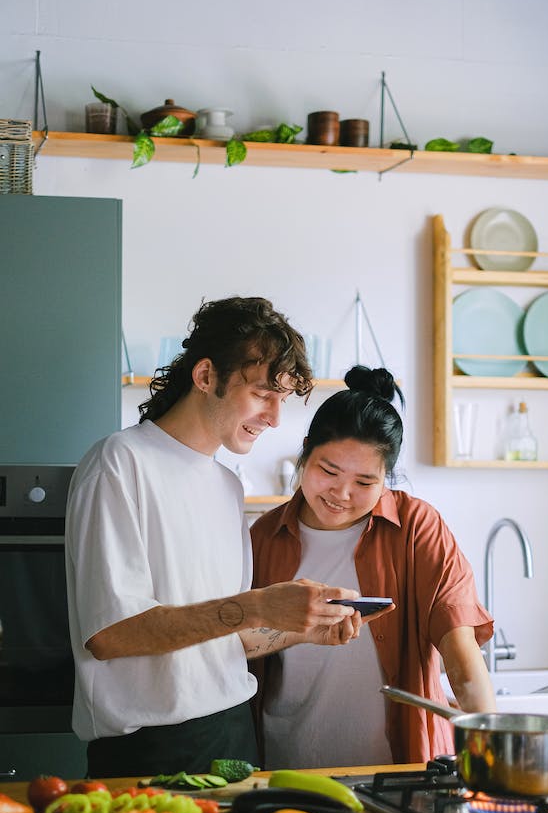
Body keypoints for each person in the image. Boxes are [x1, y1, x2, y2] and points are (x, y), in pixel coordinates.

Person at [65, 296, 363, 778]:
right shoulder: (119, 463)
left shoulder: (227, 485)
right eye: (264, 394)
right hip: (148, 751)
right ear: (205, 377)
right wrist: (261, 605)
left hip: (232, 734)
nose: (274, 418)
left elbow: (226, 636)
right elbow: (110, 634)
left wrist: (302, 628)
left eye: (282, 400)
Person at [250, 365, 496, 768]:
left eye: (365, 482)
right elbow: (239, 646)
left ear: (387, 479)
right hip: (285, 759)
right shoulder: (264, 537)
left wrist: (492, 739)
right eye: (328, 471)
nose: (341, 494)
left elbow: (458, 645)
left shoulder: (416, 527)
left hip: (398, 768)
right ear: (305, 450)